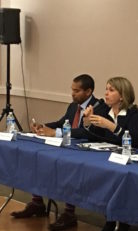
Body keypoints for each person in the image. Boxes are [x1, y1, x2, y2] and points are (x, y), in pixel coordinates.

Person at [11, 74, 108, 231]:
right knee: (39, 158)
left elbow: (85, 133)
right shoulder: (73, 106)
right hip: (67, 146)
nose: (72, 94)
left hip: (86, 150)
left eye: (76, 91)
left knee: (69, 168)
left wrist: (56, 132)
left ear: (88, 91)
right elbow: (61, 123)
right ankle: (37, 203)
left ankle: (69, 214)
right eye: (72, 90)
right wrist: (43, 126)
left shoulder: (100, 108)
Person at [83, 77, 138, 231]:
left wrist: (111, 126)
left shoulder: (133, 113)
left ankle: (122, 222)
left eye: (111, 90)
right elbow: (95, 136)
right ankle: (111, 219)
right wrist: (87, 121)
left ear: (122, 95)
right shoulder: (103, 110)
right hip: (114, 157)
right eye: (106, 89)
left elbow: (133, 139)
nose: (106, 93)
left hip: (137, 157)